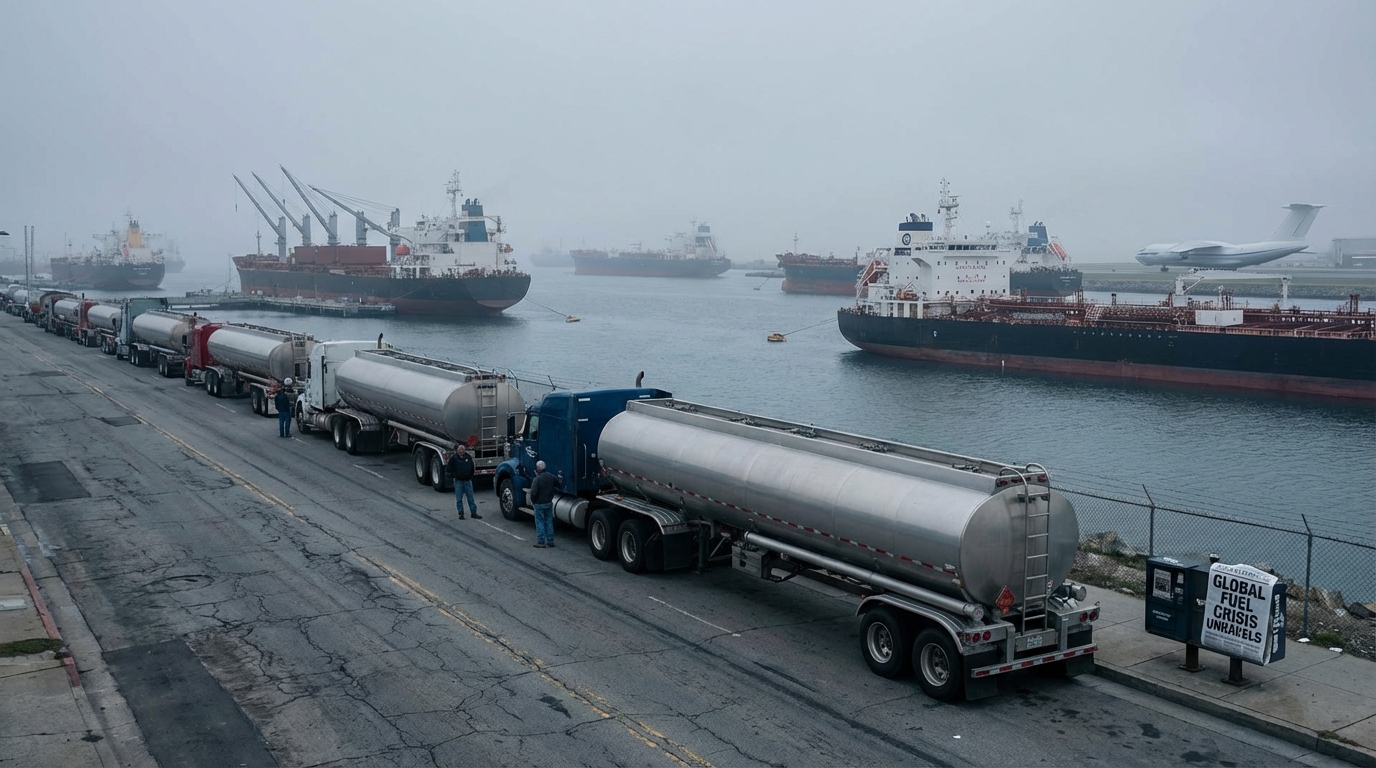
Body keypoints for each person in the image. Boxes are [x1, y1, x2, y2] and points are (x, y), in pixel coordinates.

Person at [528, 460, 560, 548]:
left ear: (538, 469)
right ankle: (550, 541)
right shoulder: (551, 477)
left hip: (539, 503)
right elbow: (557, 483)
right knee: (549, 522)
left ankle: (541, 541)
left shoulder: (537, 479)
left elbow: (533, 492)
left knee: (540, 522)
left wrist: (533, 501)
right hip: (548, 502)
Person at [447, 443, 480, 520]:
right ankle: (461, 513)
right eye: (460, 450)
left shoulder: (468, 457)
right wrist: (454, 475)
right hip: (458, 481)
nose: (461, 451)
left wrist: (470, 476)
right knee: (459, 499)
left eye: (463, 449)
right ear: (457, 450)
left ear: (465, 450)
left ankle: (474, 513)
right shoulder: (454, 458)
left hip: (467, 481)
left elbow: (472, 467)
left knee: (471, 498)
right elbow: (449, 469)